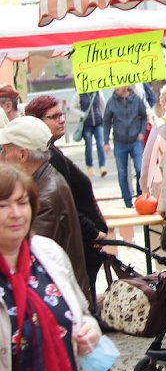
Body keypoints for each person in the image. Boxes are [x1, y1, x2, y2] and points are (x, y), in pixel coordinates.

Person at [0, 163, 101, 371]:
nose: (16, 213)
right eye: (3, 205)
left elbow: (82, 314)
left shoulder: (48, 254)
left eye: (22, 203)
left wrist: (90, 331)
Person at [0, 117, 92, 305]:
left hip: (57, 301)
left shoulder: (45, 194)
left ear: (23, 155)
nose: (2, 157)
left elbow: (23, 253)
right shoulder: (43, 180)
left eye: (5, 151)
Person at [26, 96, 108, 304]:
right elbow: (66, 205)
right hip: (81, 242)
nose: (62, 119)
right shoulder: (46, 158)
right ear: (37, 123)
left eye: (61, 114)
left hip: (85, 242)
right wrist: (94, 233)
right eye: (54, 117)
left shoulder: (53, 152)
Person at [103, 86, 148, 208]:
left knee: (140, 169)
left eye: (119, 85)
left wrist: (142, 132)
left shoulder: (136, 99)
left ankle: (140, 197)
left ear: (126, 86)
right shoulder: (111, 102)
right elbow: (106, 121)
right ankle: (127, 201)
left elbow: (144, 116)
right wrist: (106, 141)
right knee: (122, 173)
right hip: (120, 142)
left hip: (135, 140)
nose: (116, 88)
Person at [76, 91, 107, 177]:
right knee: (89, 146)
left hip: (98, 122)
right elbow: (71, 107)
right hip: (87, 124)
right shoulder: (79, 93)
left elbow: (103, 104)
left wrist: (103, 116)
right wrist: (82, 114)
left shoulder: (97, 91)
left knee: (100, 144)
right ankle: (90, 167)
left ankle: (102, 166)